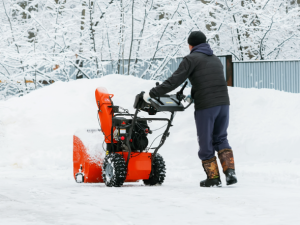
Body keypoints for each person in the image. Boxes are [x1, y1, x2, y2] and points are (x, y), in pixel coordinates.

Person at [143, 31, 237, 187]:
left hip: (207, 106)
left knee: (206, 142)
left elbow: (174, 80)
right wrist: (193, 94)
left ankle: (213, 177)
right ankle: (230, 173)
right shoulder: (215, 59)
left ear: (191, 45)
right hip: (224, 104)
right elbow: (207, 81)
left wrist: (152, 93)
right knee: (221, 137)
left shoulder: (191, 59)